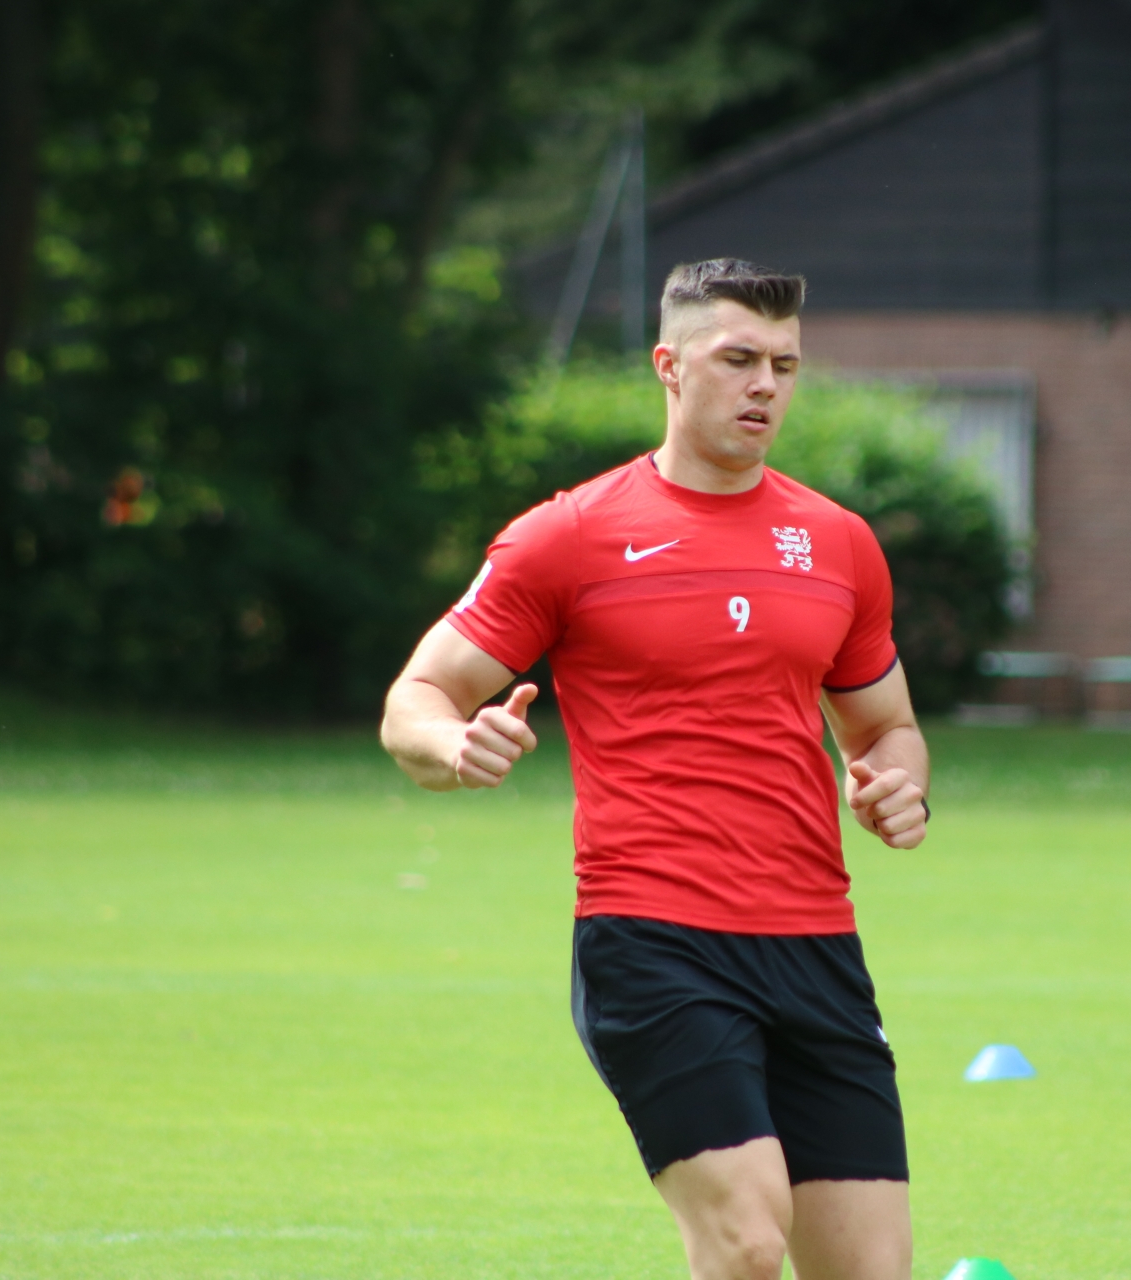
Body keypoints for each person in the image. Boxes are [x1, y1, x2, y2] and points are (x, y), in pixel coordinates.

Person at [380, 258, 929, 1280]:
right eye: (738, 359)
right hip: (654, 939)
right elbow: (416, 696)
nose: (765, 385)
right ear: (669, 367)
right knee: (747, 1242)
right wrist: (453, 746)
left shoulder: (839, 543)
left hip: (816, 941)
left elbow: (885, 725)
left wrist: (901, 783)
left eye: (785, 365)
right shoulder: (569, 535)